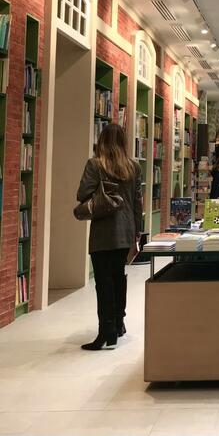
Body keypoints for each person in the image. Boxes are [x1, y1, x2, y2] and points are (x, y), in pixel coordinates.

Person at [76, 124, 142, 351]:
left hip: (103, 231)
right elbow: (137, 202)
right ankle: (119, 323)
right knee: (118, 277)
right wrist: (137, 232)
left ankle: (106, 331)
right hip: (125, 231)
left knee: (103, 282)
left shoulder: (95, 165)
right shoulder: (133, 167)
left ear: (102, 141)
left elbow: (82, 194)